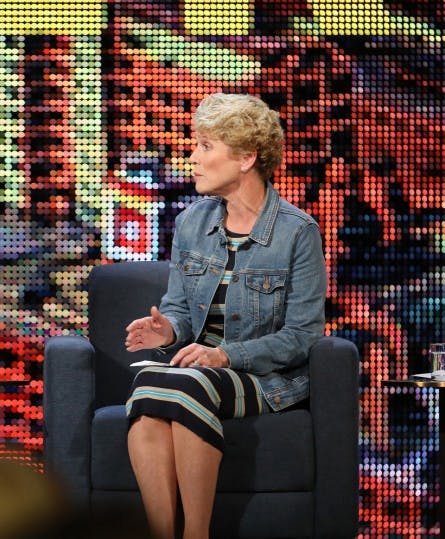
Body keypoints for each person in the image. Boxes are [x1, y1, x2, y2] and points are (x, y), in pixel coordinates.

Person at [122, 93, 327, 539]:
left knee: (185, 383)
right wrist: (167, 330)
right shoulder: (191, 223)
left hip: (265, 377)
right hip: (197, 371)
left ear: (246, 158)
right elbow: (178, 308)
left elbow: (303, 336)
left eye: (205, 146)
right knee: (149, 384)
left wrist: (225, 356)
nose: (192, 159)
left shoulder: (297, 233)